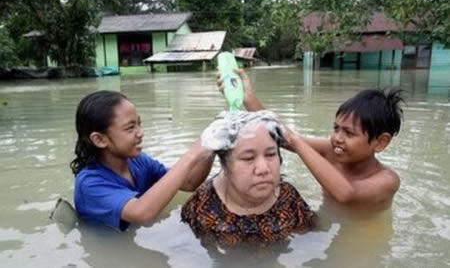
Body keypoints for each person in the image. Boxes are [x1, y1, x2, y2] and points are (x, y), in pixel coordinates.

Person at [218, 70, 404, 212]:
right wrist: (247, 98)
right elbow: (284, 139)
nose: (337, 138)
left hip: (363, 237)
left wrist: (296, 142)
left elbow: (346, 194)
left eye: (349, 133)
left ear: (381, 142)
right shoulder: (331, 150)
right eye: (336, 128)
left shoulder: (387, 180)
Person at [71, 90, 214, 231]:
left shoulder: (138, 160)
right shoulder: (89, 184)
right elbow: (141, 213)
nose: (141, 133)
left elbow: (189, 183)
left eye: (139, 124)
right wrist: (191, 156)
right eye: (130, 127)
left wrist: (211, 147)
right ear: (100, 139)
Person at [181, 111, 315, 247]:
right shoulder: (202, 207)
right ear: (224, 165)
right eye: (248, 158)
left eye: (270, 154)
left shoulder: (289, 200)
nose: (263, 169)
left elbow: (308, 244)